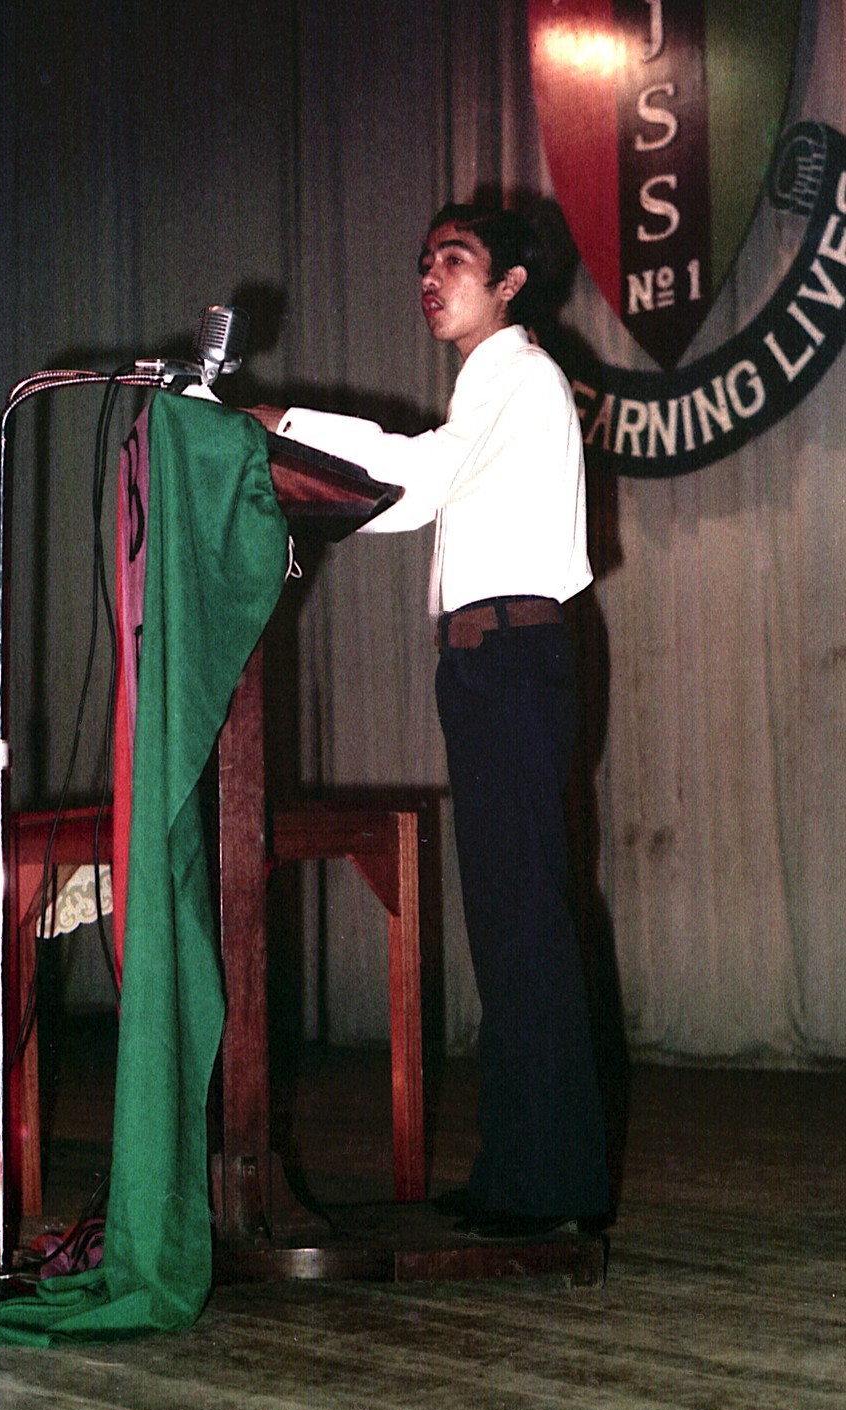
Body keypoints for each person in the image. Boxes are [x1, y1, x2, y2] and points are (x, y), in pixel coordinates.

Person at [252, 202, 609, 1238]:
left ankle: (554, 1184)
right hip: (490, 664)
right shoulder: (489, 388)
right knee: (507, 916)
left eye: (454, 258)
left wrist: (285, 426)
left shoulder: (519, 376)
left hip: (510, 660)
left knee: (523, 915)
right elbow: (411, 499)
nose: (429, 274)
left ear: (510, 284)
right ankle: (519, 1170)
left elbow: (415, 475)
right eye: (422, 260)